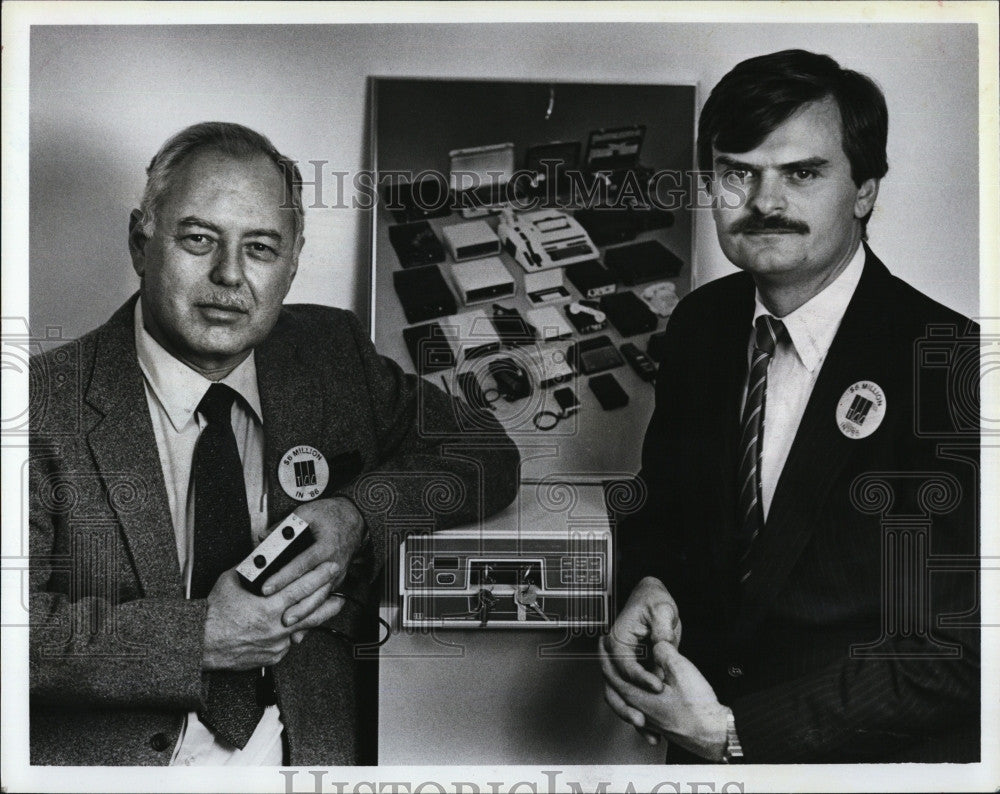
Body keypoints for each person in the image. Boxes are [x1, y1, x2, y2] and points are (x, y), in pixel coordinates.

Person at [29, 122, 520, 766]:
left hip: (307, 751)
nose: (229, 276)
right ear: (139, 241)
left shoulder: (330, 353)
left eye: (260, 248)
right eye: (199, 239)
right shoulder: (37, 405)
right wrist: (197, 638)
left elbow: (486, 453)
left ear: (292, 261)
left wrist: (358, 517)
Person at [600, 50, 979, 763]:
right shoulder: (700, 326)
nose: (765, 202)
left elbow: (960, 649)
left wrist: (735, 736)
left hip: (861, 768)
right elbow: (661, 509)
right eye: (737, 173)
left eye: (803, 174)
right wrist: (647, 584)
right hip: (696, 751)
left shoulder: (951, 362)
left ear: (865, 190)